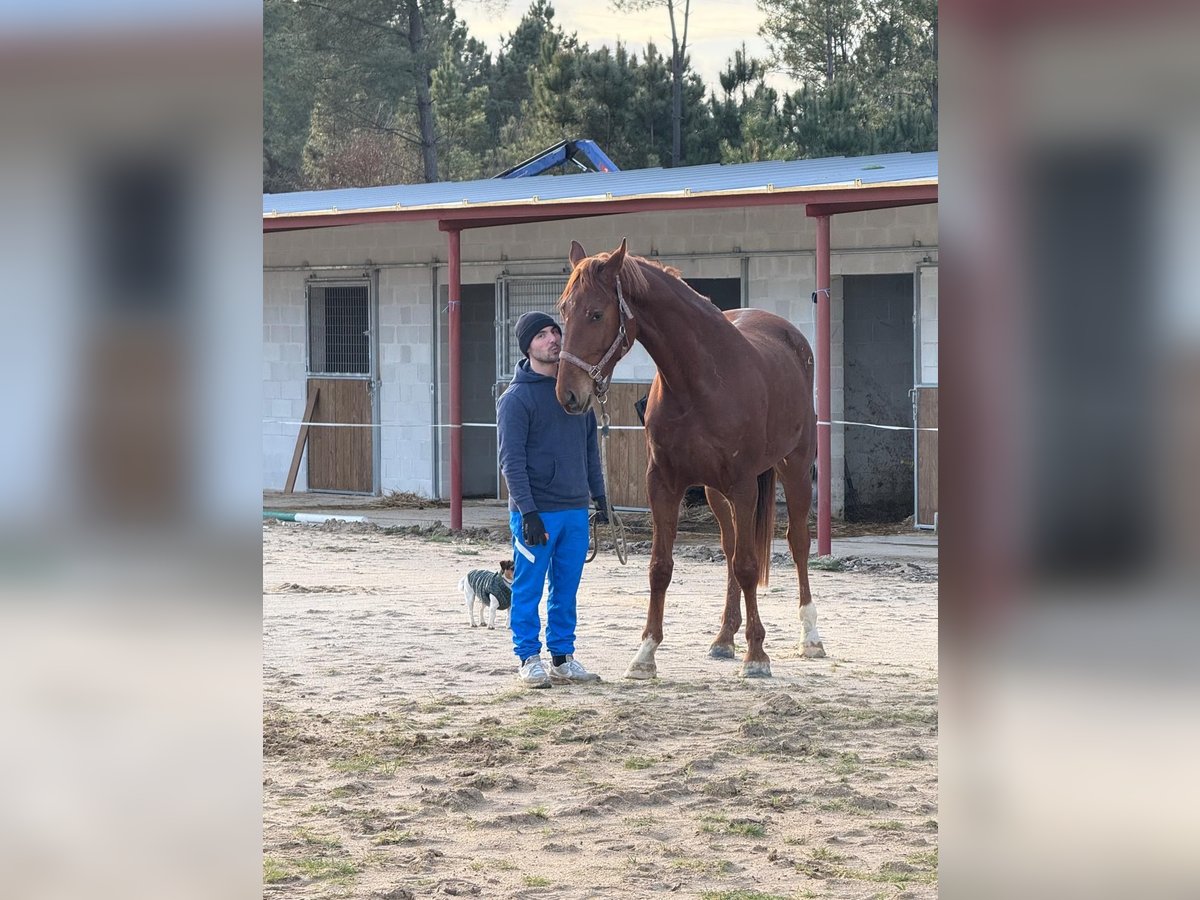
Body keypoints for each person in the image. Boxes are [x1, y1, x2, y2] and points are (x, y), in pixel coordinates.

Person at [497, 310, 608, 688]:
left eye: (555, 332)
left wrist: (601, 497)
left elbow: (590, 450)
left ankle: (562, 657)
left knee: (566, 589)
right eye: (542, 334)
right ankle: (528, 657)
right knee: (528, 589)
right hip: (537, 513)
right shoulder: (515, 399)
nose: (553, 339)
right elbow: (511, 461)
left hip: (575, 510)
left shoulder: (575, 393)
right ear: (527, 345)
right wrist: (527, 512)